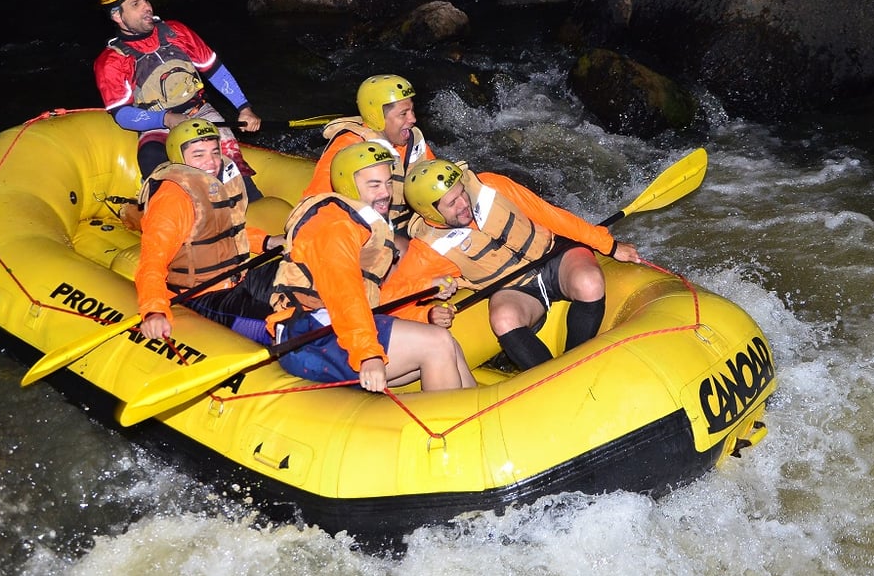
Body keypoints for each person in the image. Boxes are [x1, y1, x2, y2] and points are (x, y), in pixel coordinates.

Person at [268, 142, 475, 392]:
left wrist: (425, 288)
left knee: (449, 345)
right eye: (374, 185)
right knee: (437, 342)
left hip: (334, 327)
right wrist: (369, 356)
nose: (385, 193)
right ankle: (445, 425)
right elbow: (346, 296)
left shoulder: (358, 221)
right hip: (307, 337)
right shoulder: (335, 228)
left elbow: (372, 299)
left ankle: (476, 420)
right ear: (349, 186)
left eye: (388, 183)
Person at [403, 159, 641, 370]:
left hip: (553, 255)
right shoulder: (427, 249)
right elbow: (396, 299)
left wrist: (609, 245)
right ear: (431, 213)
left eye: (461, 193)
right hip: (515, 290)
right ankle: (553, 377)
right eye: (452, 202)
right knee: (504, 319)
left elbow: (549, 214)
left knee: (589, 282)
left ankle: (575, 362)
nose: (464, 203)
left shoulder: (491, 186)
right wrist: (427, 313)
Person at [94, 0, 263, 197]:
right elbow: (121, 114)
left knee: (230, 156)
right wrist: (165, 118)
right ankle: (171, 211)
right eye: (135, 4)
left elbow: (215, 71)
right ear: (117, 16)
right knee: (151, 158)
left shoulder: (177, 32)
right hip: (157, 123)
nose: (147, 7)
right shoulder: (111, 61)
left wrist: (244, 108)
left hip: (199, 112)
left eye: (145, 0)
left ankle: (251, 203)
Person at [132, 118, 284, 343]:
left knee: (302, 272)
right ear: (180, 158)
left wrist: (267, 242)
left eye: (214, 152)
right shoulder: (172, 198)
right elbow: (152, 262)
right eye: (199, 155)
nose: (212, 162)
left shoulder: (214, 181)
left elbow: (227, 230)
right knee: (281, 327)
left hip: (237, 277)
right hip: (204, 295)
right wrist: (154, 311)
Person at [302, 74, 435, 240]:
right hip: (364, 233)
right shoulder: (348, 150)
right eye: (403, 114)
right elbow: (317, 206)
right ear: (377, 117)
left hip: (405, 226)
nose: (413, 119)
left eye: (412, 110)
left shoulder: (411, 138)